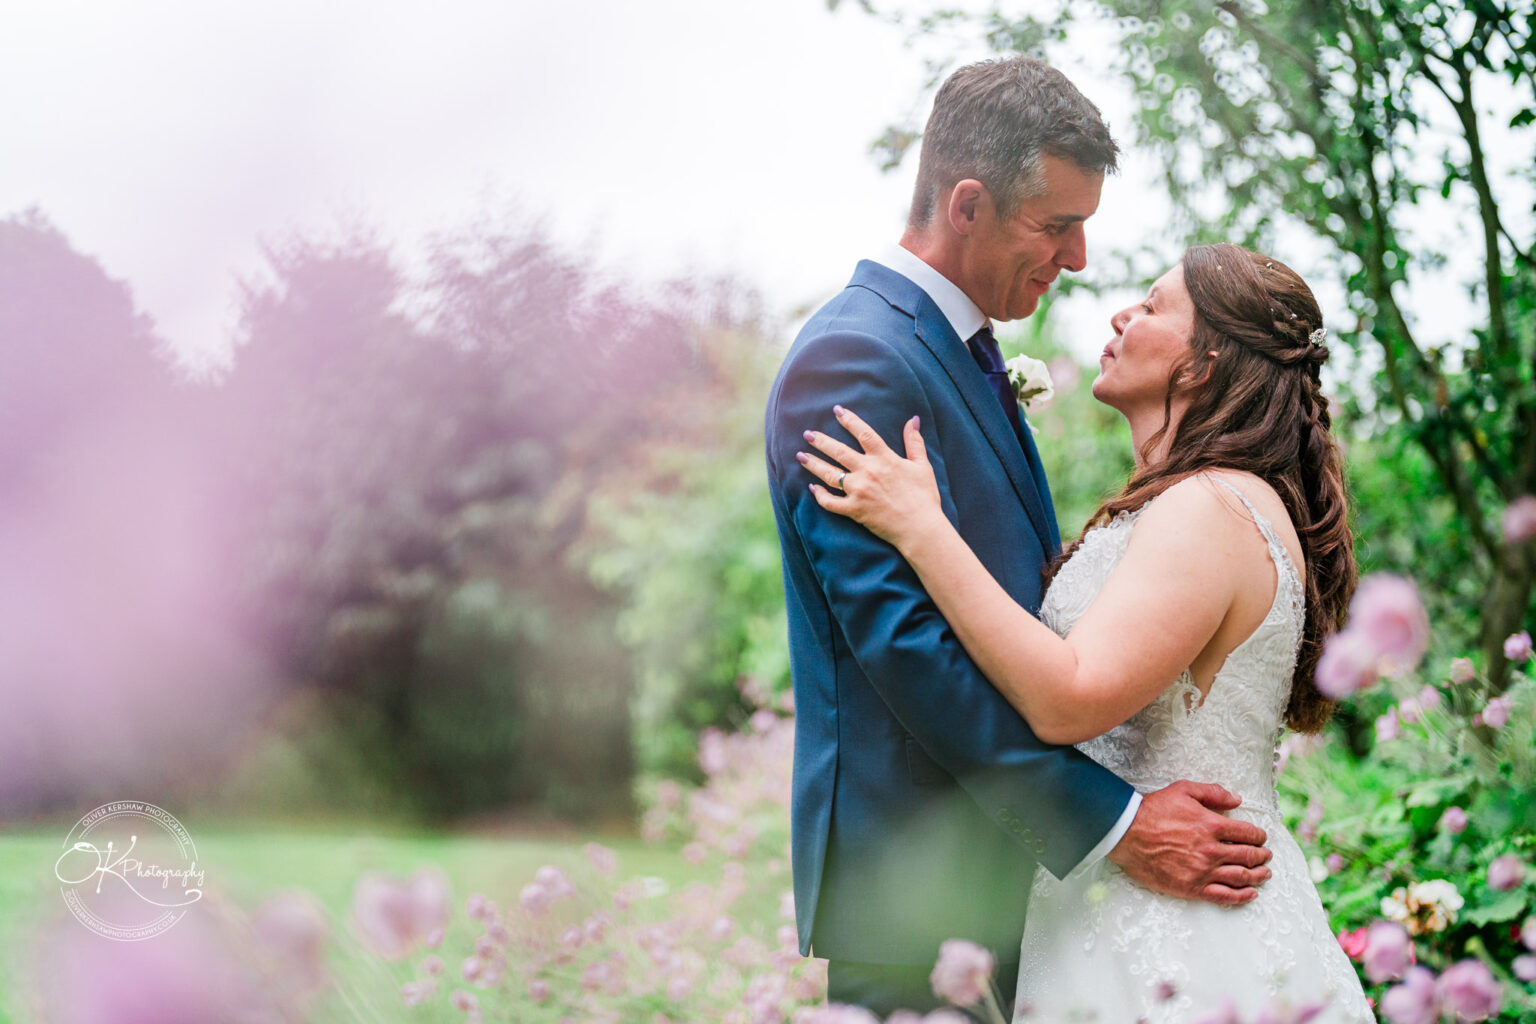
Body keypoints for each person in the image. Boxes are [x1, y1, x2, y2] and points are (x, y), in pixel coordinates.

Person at [764, 55, 1274, 1020]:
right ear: (966, 205)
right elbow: (904, 650)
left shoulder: (960, 350)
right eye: (1056, 225)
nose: (1077, 258)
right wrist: (1114, 824)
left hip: (1006, 884)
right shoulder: (854, 356)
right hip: (916, 891)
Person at [796, 243, 1374, 1022]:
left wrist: (921, 526)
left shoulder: (1209, 507)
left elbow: (1068, 698)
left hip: (1179, 931)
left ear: (1203, 363)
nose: (1120, 314)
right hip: (1129, 909)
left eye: (1152, 306)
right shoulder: (1212, 500)